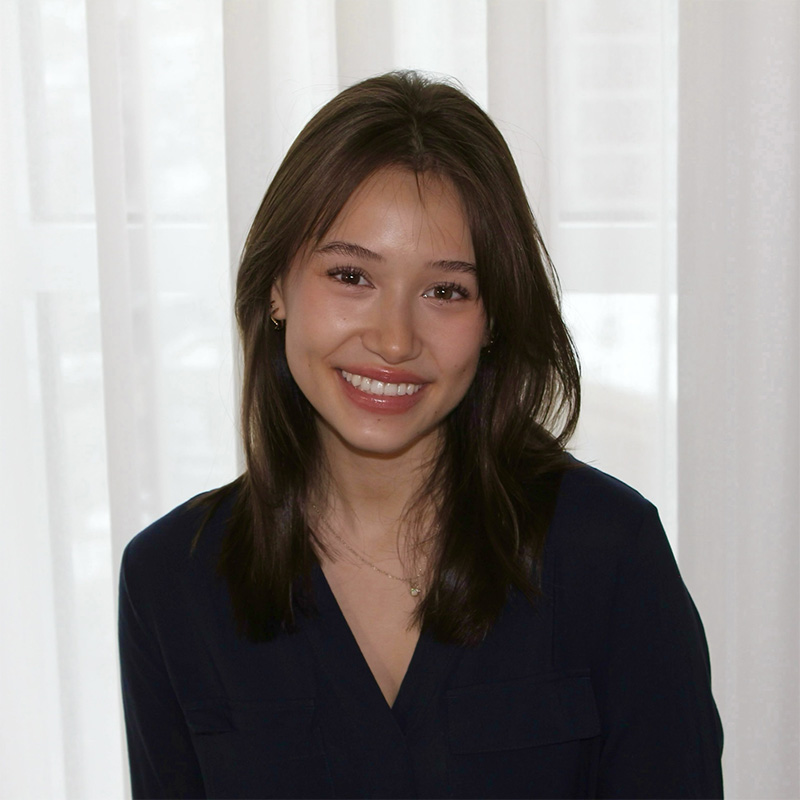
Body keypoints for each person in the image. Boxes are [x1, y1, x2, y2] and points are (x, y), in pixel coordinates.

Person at [118, 71, 723, 799]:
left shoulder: (608, 556)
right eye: (351, 275)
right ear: (277, 287)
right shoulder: (171, 581)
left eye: (446, 291)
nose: (395, 339)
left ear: (494, 318)